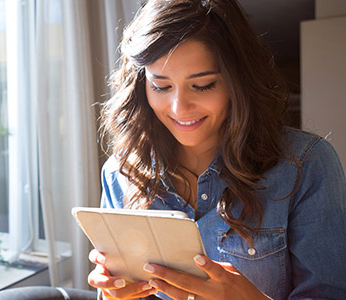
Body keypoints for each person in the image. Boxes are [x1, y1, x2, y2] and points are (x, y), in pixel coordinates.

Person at [88, 0, 346, 299]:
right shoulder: (121, 173)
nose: (179, 108)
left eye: (203, 85)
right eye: (160, 86)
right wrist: (113, 292)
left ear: (238, 82)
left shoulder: (305, 164)